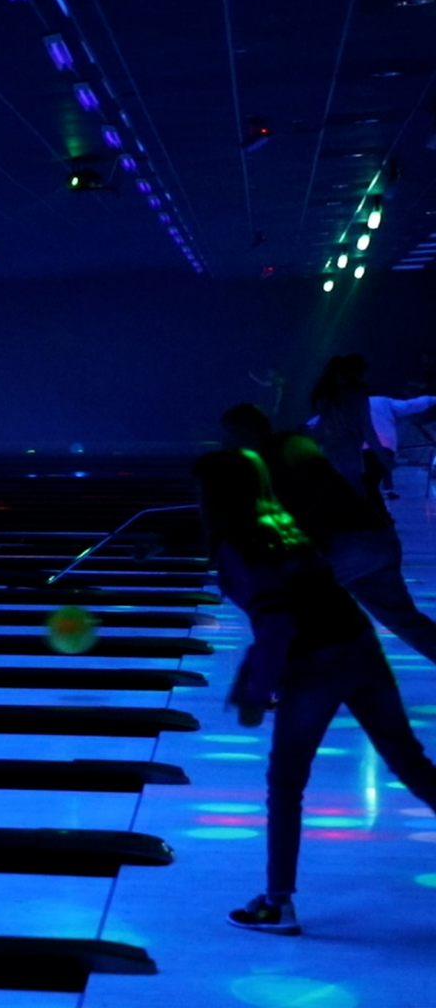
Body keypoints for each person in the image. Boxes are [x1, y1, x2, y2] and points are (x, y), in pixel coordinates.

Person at [193, 448, 436, 935]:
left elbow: (278, 619)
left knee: (286, 782)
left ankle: (276, 903)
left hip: (314, 662)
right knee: (408, 759)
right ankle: (276, 900)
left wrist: (257, 692)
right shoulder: (277, 518)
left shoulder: (235, 544)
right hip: (358, 641)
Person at [220, 402, 436, 668]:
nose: (225, 443)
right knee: (407, 622)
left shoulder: (272, 458)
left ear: (243, 433)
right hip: (378, 540)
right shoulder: (283, 449)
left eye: (229, 435)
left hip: (350, 545)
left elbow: (303, 517)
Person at [310, 355, 393, 501]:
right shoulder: (357, 395)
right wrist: (383, 456)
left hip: (329, 450)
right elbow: (368, 430)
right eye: (362, 372)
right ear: (356, 372)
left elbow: (321, 426)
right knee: (354, 494)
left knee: (334, 494)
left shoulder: (330, 394)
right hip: (348, 451)